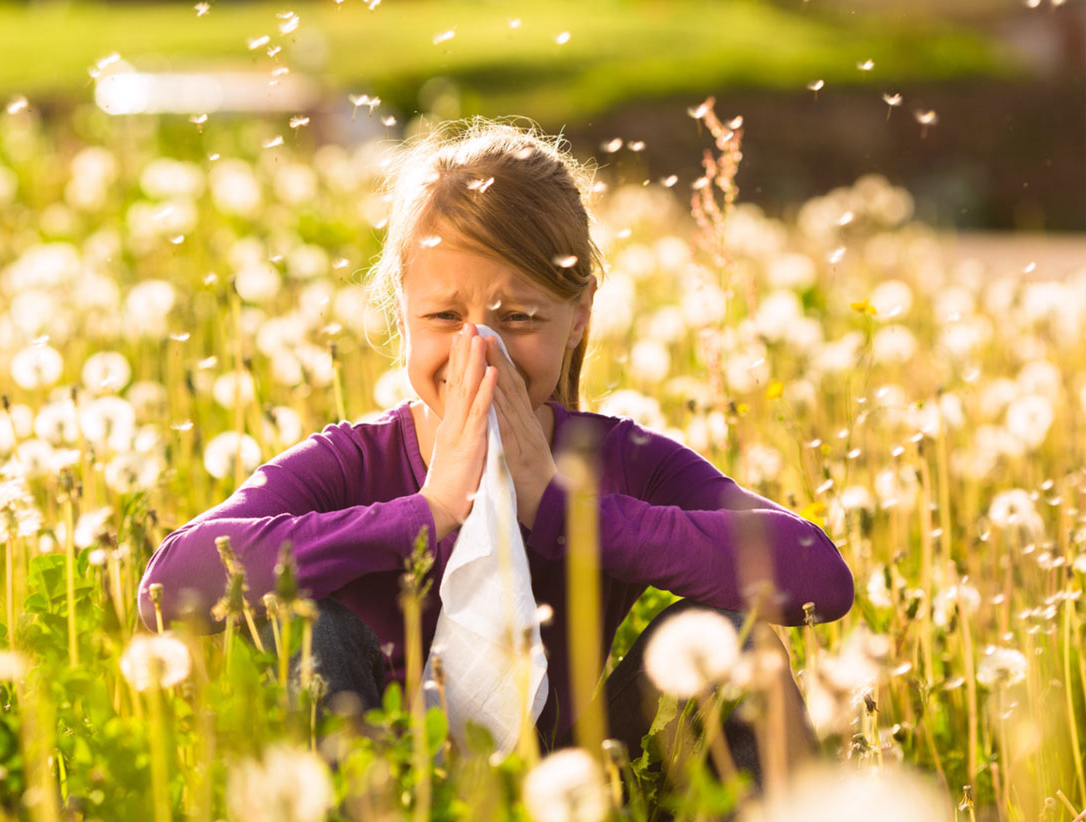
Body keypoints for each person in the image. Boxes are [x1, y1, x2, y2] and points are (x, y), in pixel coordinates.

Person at [138, 119, 854, 783]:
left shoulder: (620, 460)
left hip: (574, 781)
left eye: (519, 318)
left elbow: (818, 577)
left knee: (733, 640)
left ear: (578, 318)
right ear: (401, 309)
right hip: (379, 781)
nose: (479, 351)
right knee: (307, 627)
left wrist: (568, 513)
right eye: (445, 316)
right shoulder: (354, 462)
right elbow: (169, 585)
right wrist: (427, 512)